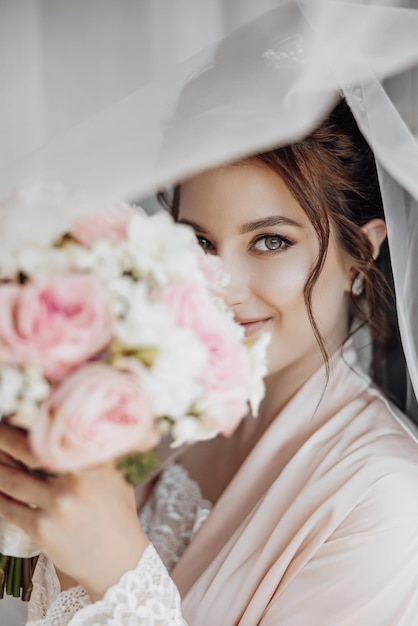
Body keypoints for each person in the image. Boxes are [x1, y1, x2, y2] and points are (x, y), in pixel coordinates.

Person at [0, 94, 417, 625]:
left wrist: (120, 579)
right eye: (199, 241)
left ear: (362, 250)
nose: (222, 285)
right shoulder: (152, 402)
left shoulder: (386, 507)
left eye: (269, 241)